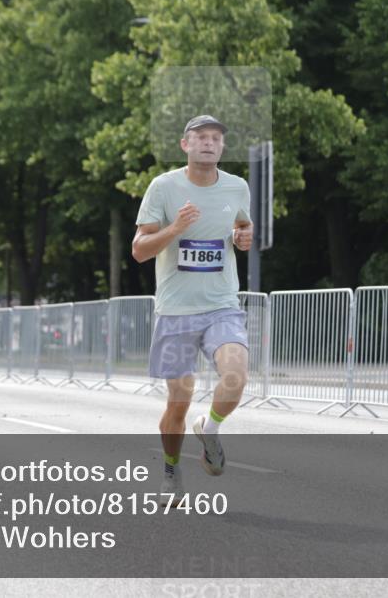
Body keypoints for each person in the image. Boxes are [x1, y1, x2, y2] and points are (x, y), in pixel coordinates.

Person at [132, 114, 253, 506]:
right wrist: (176, 228)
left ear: (222, 147)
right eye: (200, 137)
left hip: (222, 306)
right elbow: (139, 250)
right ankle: (170, 469)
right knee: (178, 403)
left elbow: (241, 229)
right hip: (176, 311)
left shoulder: (237, 187)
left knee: (236, 375)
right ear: (185, 145)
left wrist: (243, 238)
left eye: (216, 138)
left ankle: (211, 428)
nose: (208, 143)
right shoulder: (164, 187)